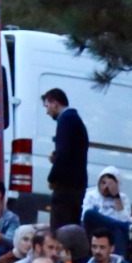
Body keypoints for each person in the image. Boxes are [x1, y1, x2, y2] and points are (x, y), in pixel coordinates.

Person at [39, 89, 90, 228]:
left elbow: (64, 153)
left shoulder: (66, 120)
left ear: (54, 103)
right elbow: (71, 150)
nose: (47, 111)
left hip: (67, 187)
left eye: (47, 106)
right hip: (76, 185)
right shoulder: (74, 119)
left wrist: (52, 178)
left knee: (60, 228)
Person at [80, 166, 132, 252]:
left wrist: (116, 197)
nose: (105, 187)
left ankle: (118, 262)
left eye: (110, 185)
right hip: (95, 229)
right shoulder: (90, 194)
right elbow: (85, 216)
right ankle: (128, 227)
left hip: (113, 232)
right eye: (103, 183)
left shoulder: (123, 198)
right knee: (90, 213)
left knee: (120, 230)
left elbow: (124, 219)